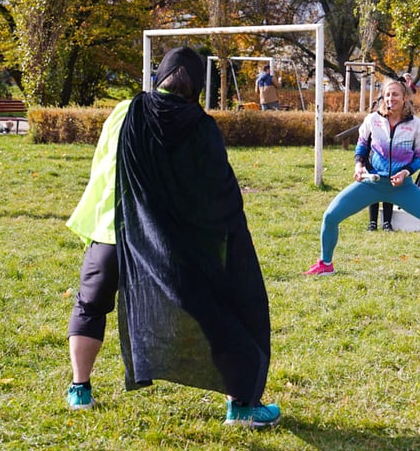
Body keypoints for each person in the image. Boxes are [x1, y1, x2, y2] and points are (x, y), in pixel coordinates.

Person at [66, 46, 280, 428]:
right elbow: (215, 190)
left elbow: (103, 168)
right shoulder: (200, 127)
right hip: (174, 246)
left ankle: (79, 389)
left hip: (113, 232)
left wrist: (96, 229)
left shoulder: (125, 112)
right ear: (197, 86)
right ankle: (240, 406)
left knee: (90, 305)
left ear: (159, 76)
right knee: (221, 312)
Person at [306, 78, 420, 284]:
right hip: (371, 183)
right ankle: (326, 264)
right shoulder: (372, 120)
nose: (391, 98)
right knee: (330, 216)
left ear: (405, 97)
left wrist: (405, 172)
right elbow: (362, 146)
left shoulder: (416, 125)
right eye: (387, 94)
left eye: (395, 94)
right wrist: (359, 166)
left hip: (402, 187)